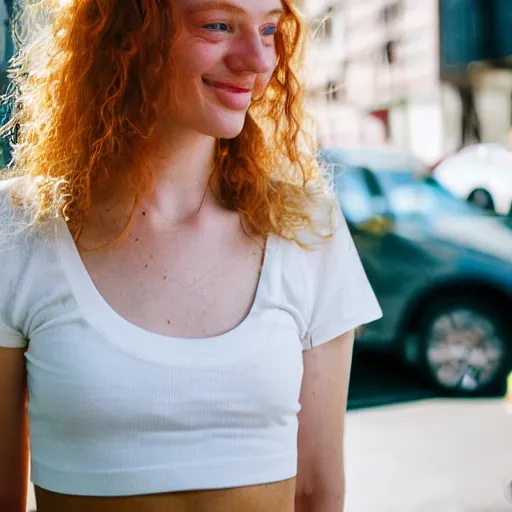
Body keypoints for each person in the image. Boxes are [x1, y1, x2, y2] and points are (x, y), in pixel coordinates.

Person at [0, 0, 382, 511]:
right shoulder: (19, 227)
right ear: (128, 32)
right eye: (219, 25)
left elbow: (317, 492)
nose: (258, 60)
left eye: (268, 29)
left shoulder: (307, 226)